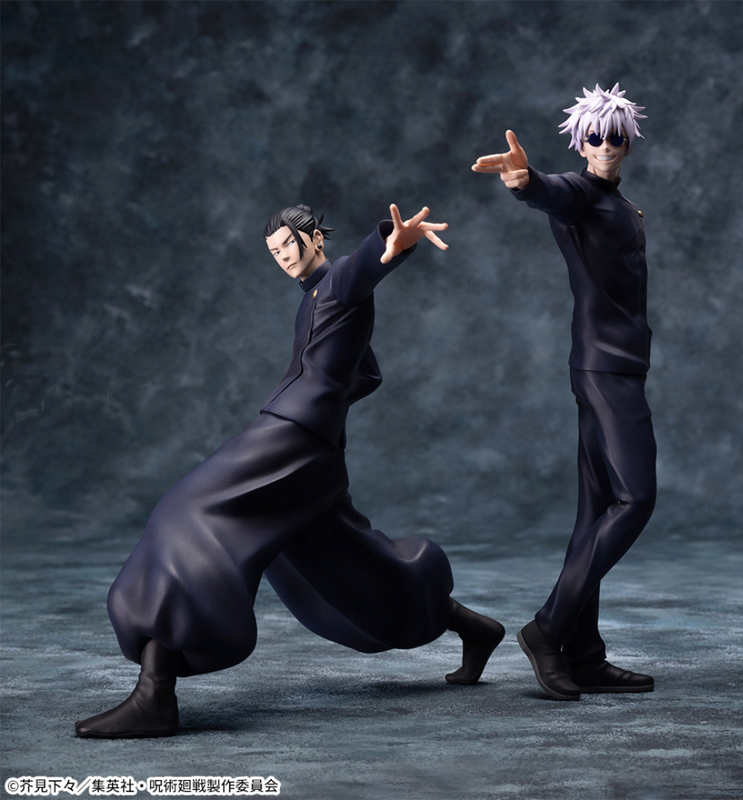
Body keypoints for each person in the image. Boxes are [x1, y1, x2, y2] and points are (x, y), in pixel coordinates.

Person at [75, 203, 504, 738]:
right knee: (343, 559)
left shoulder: (340, 280)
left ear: (315, 238)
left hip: (294, 435)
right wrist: (331, 401)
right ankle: (471, 626)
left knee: (185, 514)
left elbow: (366, 267)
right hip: (310, 442)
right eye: (273, 251)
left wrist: (391, 245)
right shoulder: (315, 296)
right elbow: (362, 370)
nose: (281, 257)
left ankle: (155, 694)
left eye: (288, 245)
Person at [471, 84, 657, 700]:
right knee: (635, 499)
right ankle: (548, 629)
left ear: (628, 142)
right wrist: (524, 181)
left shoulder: (617, 201)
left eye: (615, 136)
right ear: (580, 143)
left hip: (611, 367)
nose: (605, 145)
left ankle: (583, 653)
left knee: (597, 510)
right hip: (606, 371)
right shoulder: (579, 194)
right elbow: (550, 192)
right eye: (594, 136)